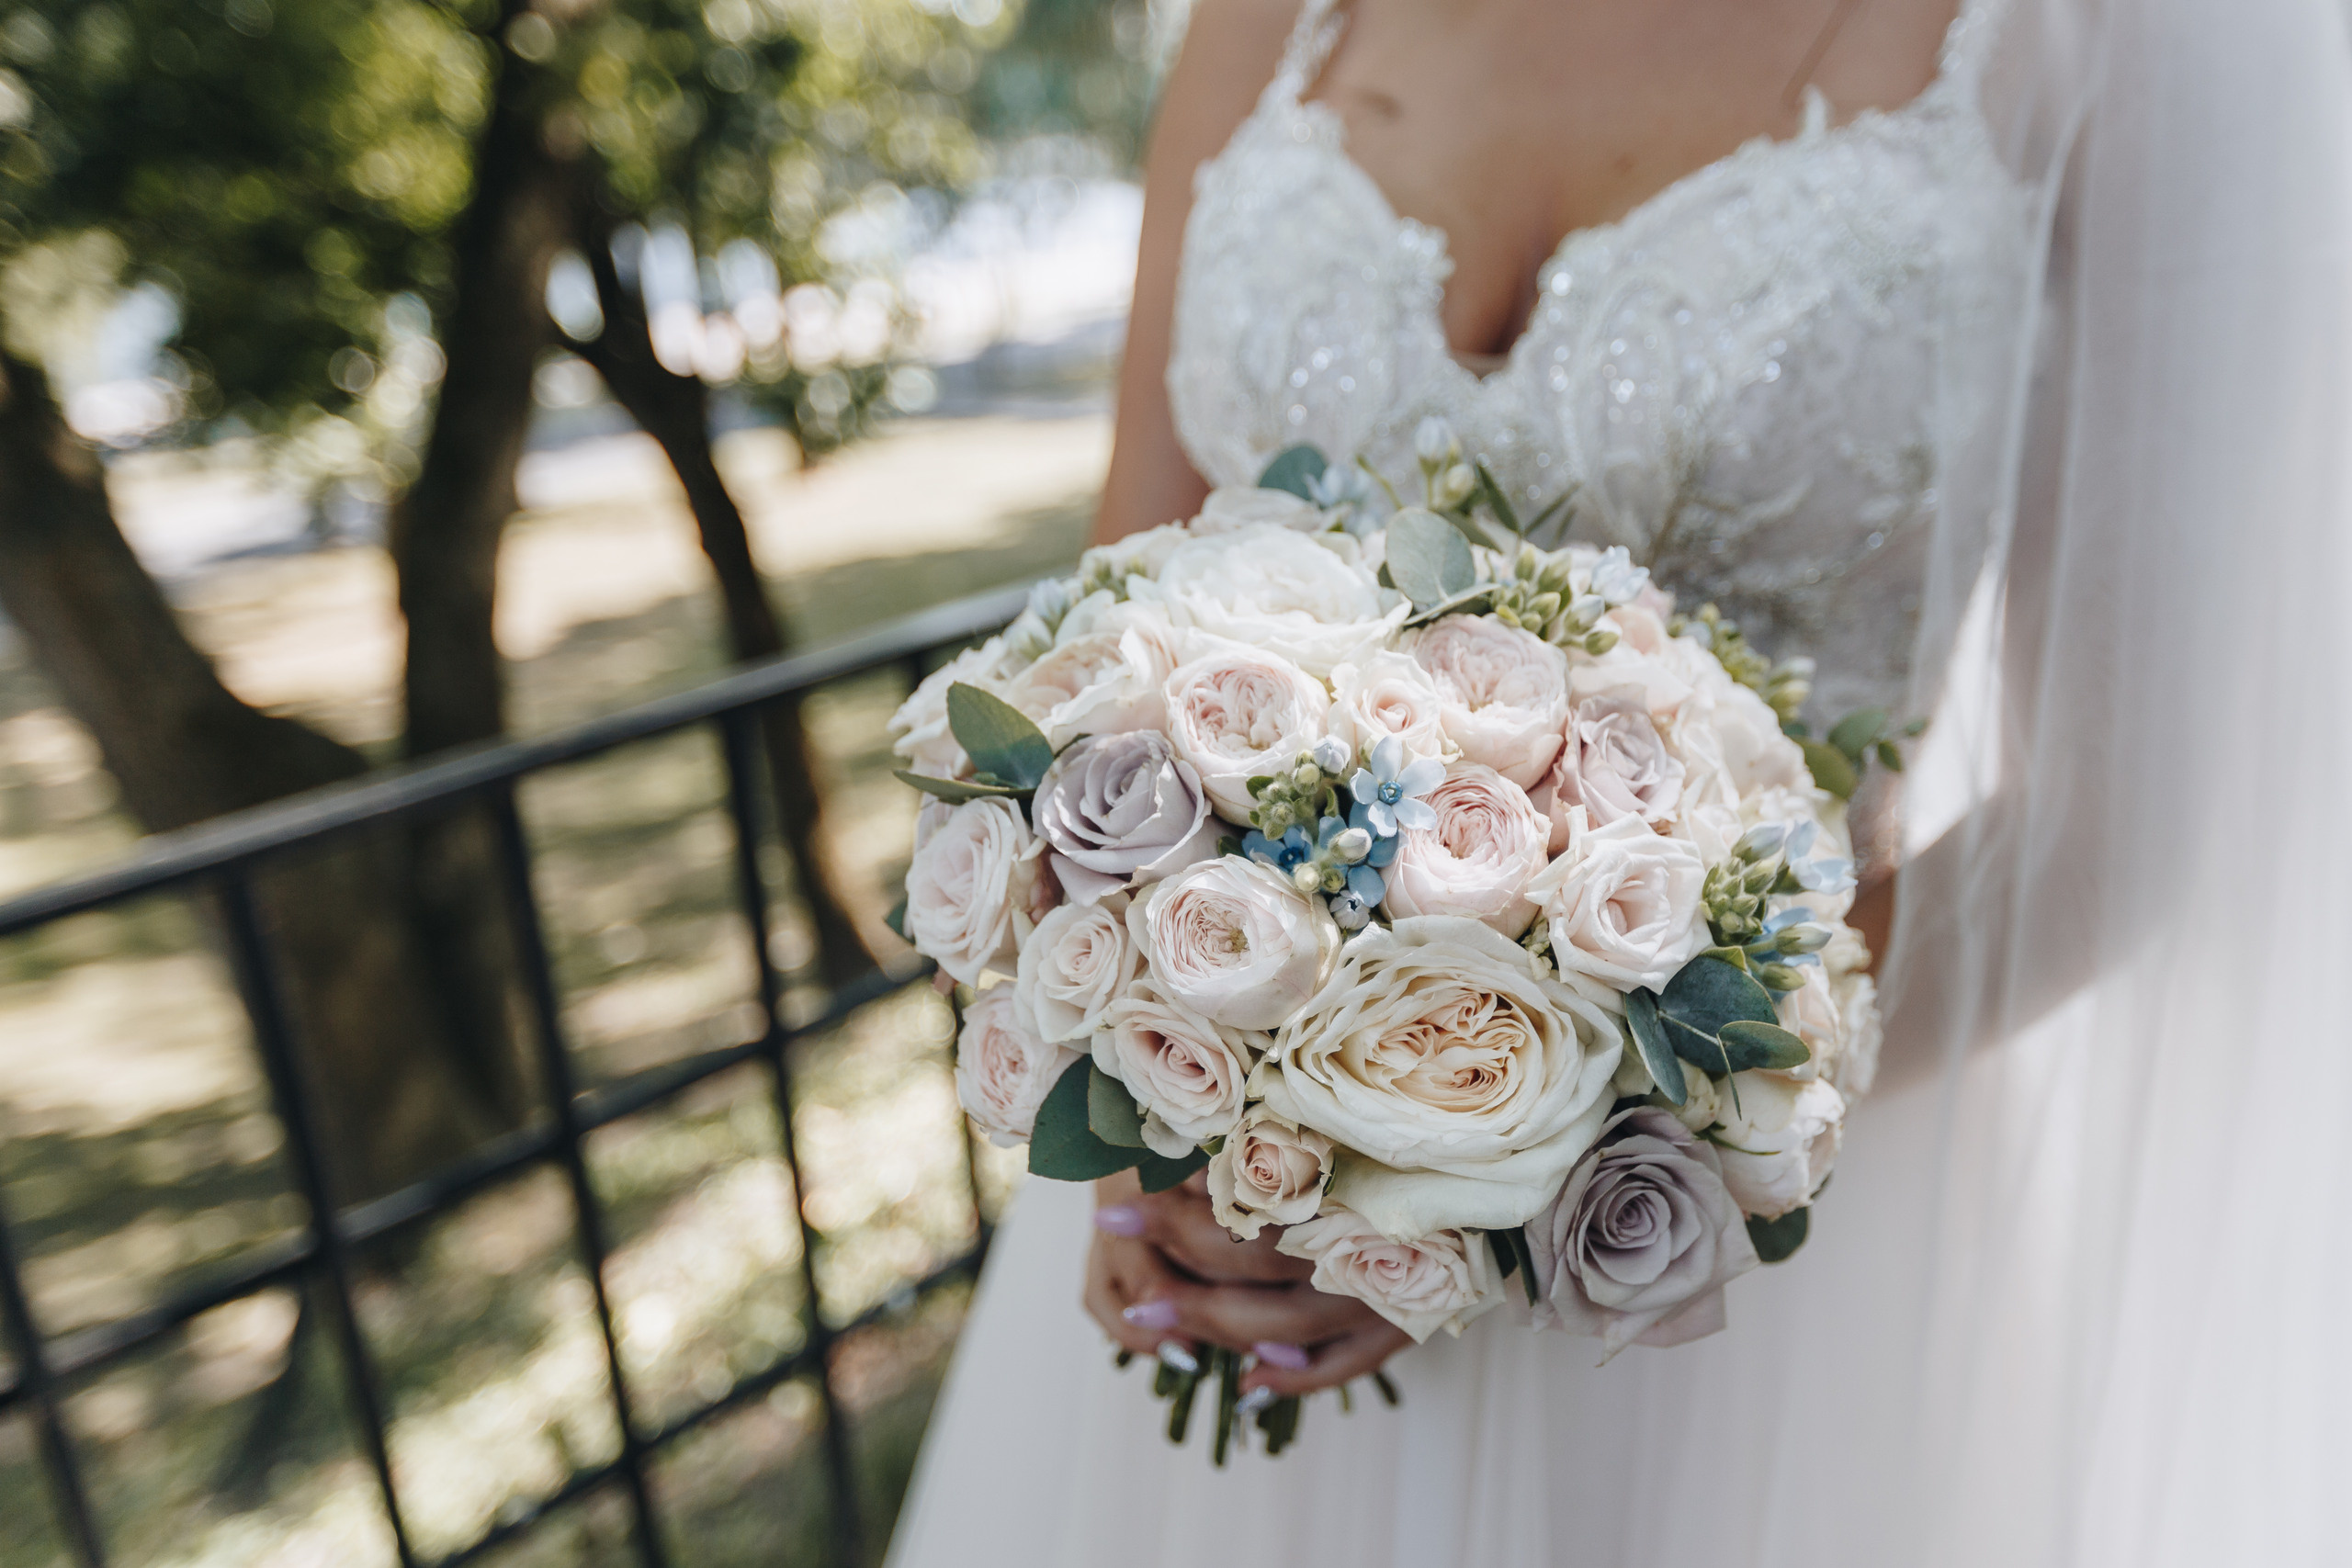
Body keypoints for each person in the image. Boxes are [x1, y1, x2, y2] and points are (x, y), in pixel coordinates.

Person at [887, 1, 2352, 1562]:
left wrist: (1518, 1150)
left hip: (1767, 1302)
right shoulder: (1267, 21)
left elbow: (2117, 831)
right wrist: (1157, 1140)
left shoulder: (2112, 37)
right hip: (1237, 1235)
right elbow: (1095, 654)